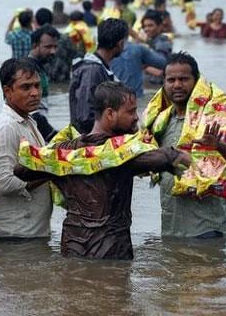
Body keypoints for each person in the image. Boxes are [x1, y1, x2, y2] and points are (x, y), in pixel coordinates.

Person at [15, 82, 190, 260]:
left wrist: (53, 165)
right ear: (110, 114)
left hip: (73, 249)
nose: (136, 118)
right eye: (130, 111)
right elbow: (159, 158)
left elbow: (21, 170)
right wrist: (177, 155)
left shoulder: (65, 152)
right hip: (112, 251)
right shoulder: (122, 155)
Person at [149, 52, 226, 238]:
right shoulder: (159, 121)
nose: (177, 85)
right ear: (164, 83)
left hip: (206, 230)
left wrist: (218, 145)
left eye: (184, 79)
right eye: (171, 80)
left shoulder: (215, 117)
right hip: (171, 229)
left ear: (196, 81)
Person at [0, 58, 52, 239]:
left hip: (29, 232)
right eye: (26, 87)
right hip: (14, 235)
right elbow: (3, 183)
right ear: (7, 91)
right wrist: (51, 173)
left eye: (37, 86)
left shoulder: (29, 120)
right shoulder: (6, 127)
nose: (35, 93)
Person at [69, 18, 128, 134]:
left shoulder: (100, 68)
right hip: (91, 142)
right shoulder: (93, 70)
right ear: (120, 43)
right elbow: (85, 116)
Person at [29, 25, 61, 142]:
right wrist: (51, 135)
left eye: (55, 47)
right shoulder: (29, 70)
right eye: (48, 47)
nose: (53, 51)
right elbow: (31, 112)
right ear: (35, 46)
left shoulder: (40, 67)